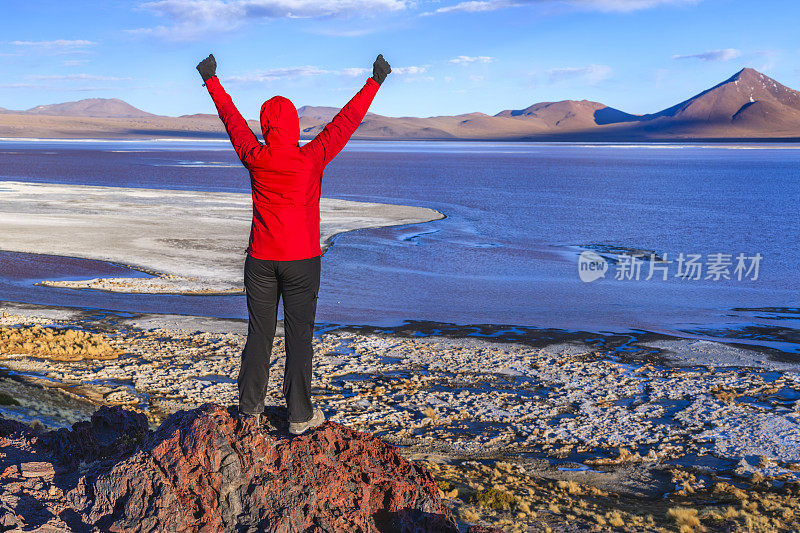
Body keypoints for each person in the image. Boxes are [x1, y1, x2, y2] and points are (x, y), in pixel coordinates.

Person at [196, 53, 391, 435]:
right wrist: (374, 82)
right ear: (295, 126)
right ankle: (300, 415)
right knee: (299, 336)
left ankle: (250, 410)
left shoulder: (255, 156)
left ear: (266, 127)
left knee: (260, 334)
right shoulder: (312, 157)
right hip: (302, 261)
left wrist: (212, 81)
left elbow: (231, 120)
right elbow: (345, 122)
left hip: (262, 260)